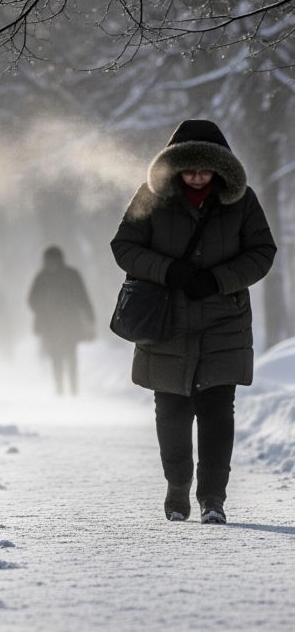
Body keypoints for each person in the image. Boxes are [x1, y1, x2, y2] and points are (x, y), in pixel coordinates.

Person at [110, 119, 276, 525]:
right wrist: (171, 272)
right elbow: (124, 247)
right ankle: (178, 486)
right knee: (172, 410)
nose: (198, 176)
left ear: (221, 169)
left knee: (219, 411)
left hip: (224, 322)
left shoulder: (242, 202)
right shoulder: (150, 198)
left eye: (206, 169)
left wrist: (218, 280)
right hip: (166, 322)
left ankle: (213, 498)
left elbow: (262, 252)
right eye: (189, 169)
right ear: (175, 167)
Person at [27, 245, 95, 396]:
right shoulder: (48, 276)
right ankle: (61, 390)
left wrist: (90, 319)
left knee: (69, 356)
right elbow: (32, 300)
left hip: (66, 323)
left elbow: (83, 298)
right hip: (54, 324)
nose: (51, 263)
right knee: (57, 357)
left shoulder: (53, 276)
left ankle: (72, 391)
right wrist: (42, 310)